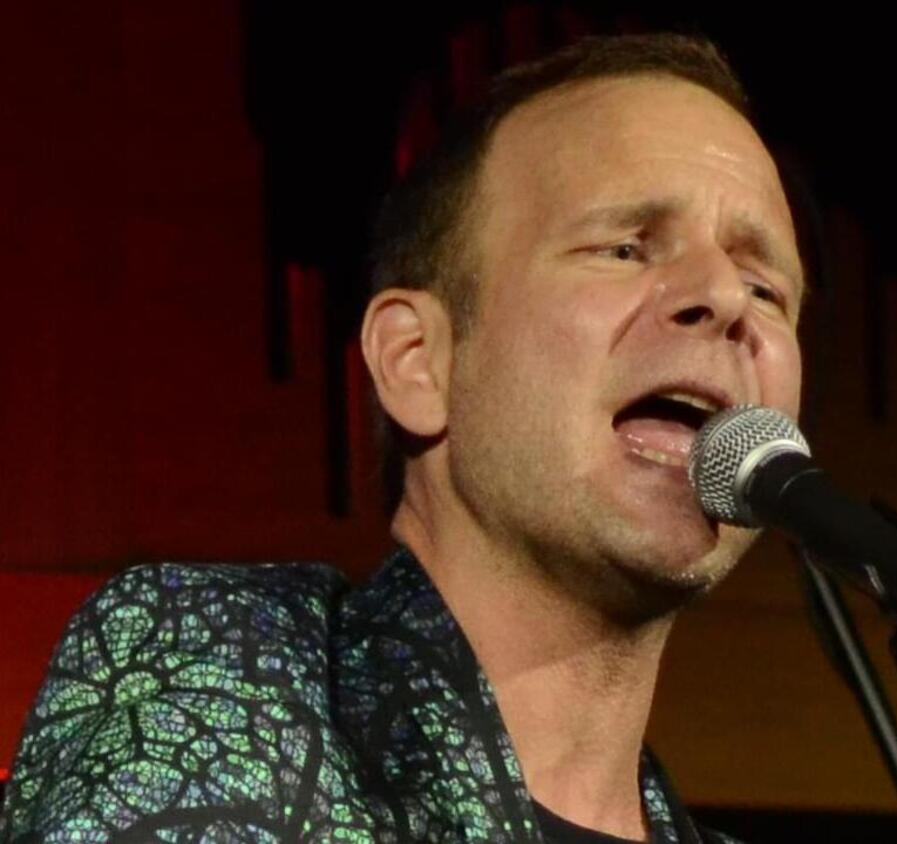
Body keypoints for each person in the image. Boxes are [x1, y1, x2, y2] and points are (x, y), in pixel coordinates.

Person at [0, 33, 802, 843]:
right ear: (418, 361)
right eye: (624, 248)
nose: (725, 295)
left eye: (766, 288)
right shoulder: (220, 669)